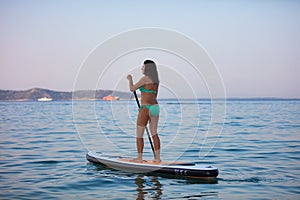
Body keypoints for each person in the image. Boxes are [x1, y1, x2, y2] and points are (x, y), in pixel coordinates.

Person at [127, 60, 161, 163]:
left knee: (139, 134)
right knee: (154, 133)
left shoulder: (145, 79)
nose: (141, 69)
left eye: (143, 67)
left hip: (145, 108)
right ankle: (157, 158)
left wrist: (130, 79)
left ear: (147, 68)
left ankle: (139, 158)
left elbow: (132, 89)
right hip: (155, 107)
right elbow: (154, 96)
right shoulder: (156, 81)